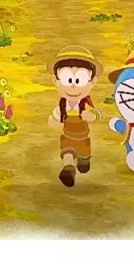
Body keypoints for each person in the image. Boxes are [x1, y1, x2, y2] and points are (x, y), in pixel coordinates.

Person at [47, 45, 102, 187]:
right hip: (67, 137)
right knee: (67, 153)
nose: (73, 87)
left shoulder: (85, 104)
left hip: (83, 138)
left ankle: (84, 160)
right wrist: (53, 121)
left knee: (84, 158)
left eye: (80, 80)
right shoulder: (62, 105)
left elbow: (96, 115)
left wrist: (90, 116)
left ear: (92, 82)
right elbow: (55, 117)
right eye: (67, 79)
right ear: (56, 81)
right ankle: (68, 169)